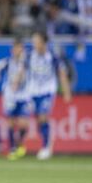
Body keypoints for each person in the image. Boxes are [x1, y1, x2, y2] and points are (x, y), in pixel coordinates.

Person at [27, 32, 72, 160]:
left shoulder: (53, 56)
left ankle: (46, 147)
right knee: (38, 119)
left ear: (44, 42)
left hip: (47, 90)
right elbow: (23, 71)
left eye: (37, 41)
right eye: (33, 41)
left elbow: (62, 73)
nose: (34, 44)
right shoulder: (30, 55)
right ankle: (46, 143)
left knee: (43, 116)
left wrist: (66, 91)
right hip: (33, 91)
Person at [0, 38, 29, 160]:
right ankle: (12, 148)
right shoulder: (6, 62)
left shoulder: (27, 62)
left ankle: (19, 143)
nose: (18, 51)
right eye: (16, 48)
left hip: (24, 95)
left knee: (24, 123)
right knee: (11, 122)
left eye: (20, 48)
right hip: (10, 96)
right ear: (12, 50)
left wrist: (19, 80)